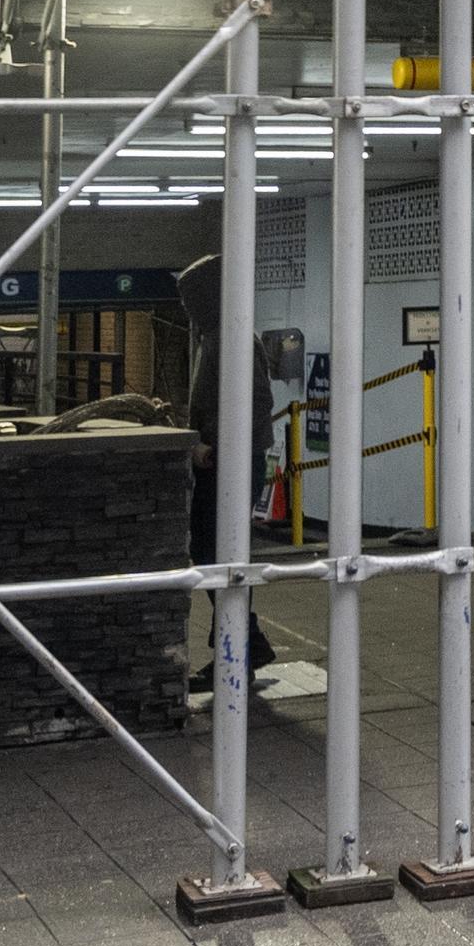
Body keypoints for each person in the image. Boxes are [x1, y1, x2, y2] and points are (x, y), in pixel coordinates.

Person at [174, 254, 262, 685]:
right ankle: (247, 643)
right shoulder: (215, 337)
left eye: (191, 298)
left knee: (218, 557)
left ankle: (239, 650)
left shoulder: (234, 341)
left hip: (228, 465)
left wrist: (212, 451)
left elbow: (251, 407)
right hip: (219, 463)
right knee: (213, 555)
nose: (186, 307)